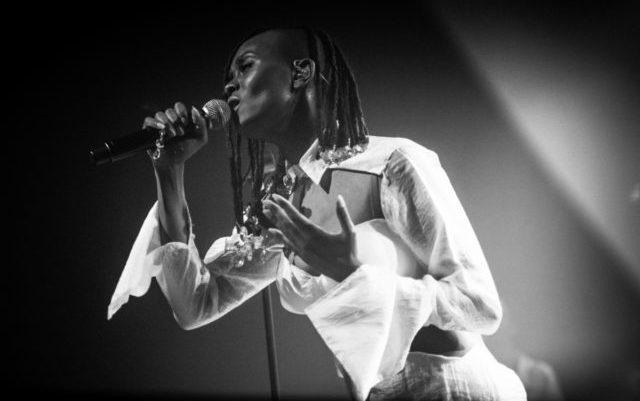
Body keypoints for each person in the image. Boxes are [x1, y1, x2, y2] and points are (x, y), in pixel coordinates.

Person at [108, 27, 527, 401]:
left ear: (301, 72)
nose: (229, 85)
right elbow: (195, 305)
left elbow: (479, 305)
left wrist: (355, 273)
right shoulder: (276, 207)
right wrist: (169, 171)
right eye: (228, 78)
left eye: (245, 67)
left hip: (456, 388)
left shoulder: (393, 163)